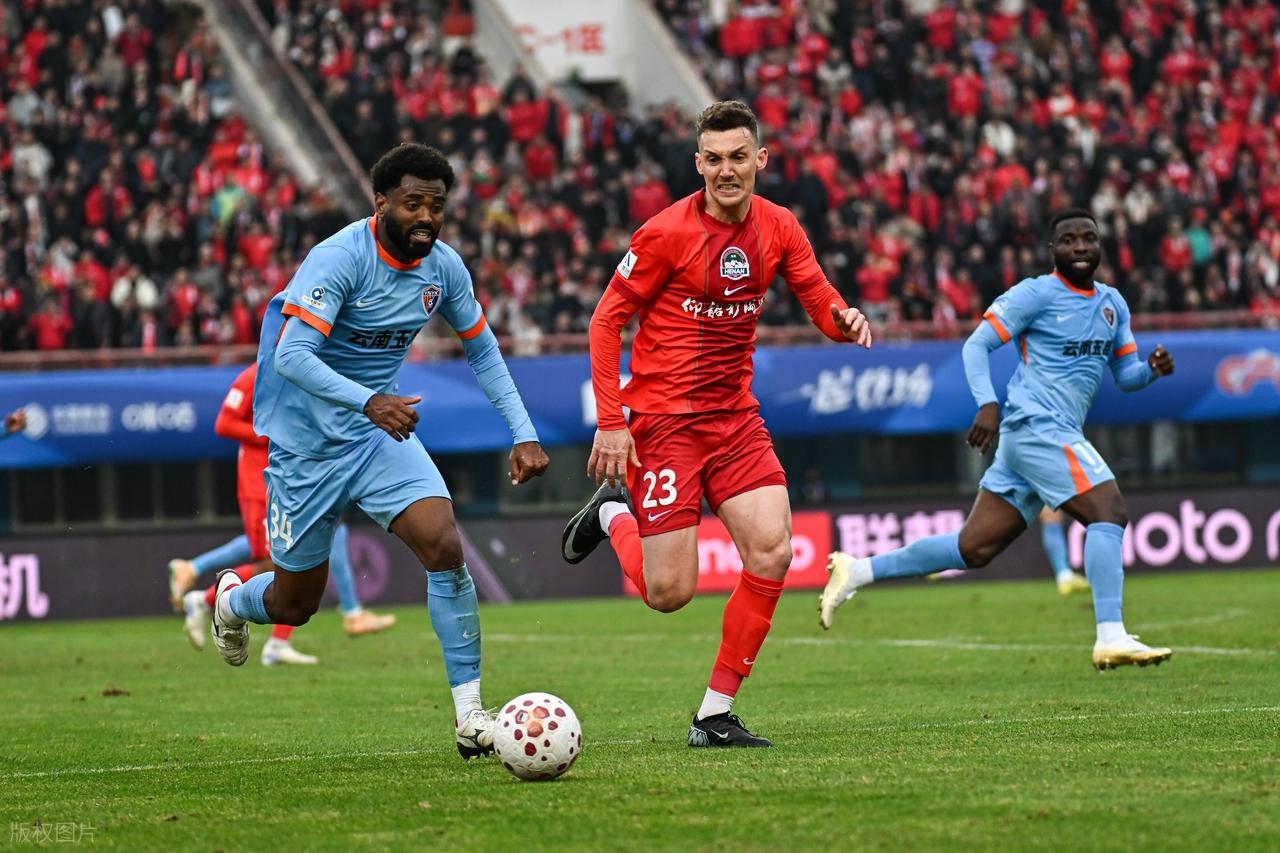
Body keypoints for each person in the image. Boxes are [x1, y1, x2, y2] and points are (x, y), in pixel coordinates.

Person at [209, 143, 549, 759]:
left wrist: (522, 431)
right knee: (296, 604)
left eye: (436, 206)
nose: (426, 217)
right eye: (413, 204)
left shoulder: (444, 269)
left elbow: (482, 348)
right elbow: (291, 356)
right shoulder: (339, 258)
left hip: (374, 438)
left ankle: (470, 715)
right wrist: (369, 400)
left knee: (443, 544)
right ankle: (233, 601)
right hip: (307, 447)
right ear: (382, 202)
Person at [561, 101, 872, 748]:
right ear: (698, 163)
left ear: (760, 159)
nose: (726, 170)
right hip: (666, 424)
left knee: (774, 550)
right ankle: (612, 515)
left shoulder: (780, 226)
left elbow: (819, 299)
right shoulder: (664, 233)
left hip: (734, 419)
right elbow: (605, 321)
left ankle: (713, 715)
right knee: (669, 592)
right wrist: (613, 422)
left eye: (738, 157)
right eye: (714, 159)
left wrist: (843, 319)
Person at [820, 209, 1174, 671]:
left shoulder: (1113, 304)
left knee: (973, 548)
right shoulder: (1036, 293)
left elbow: (1126, 376)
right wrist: (987, 403)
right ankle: (1110, 635)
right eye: (1069, 240)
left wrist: (1151, 371)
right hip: (1036, 426)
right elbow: (977, 344)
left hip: (1042, 436)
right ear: (1053, 250)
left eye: (1088, 238)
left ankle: (857, 570)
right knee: (1109, 510)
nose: (1081, 247)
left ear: (1099, 246)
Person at [171, 363, 398, 666]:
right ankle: (206, 600)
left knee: (314, 544)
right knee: (275, 562)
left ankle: (298, 631)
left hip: (291, 478)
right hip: (258, 484)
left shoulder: (305, 370)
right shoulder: (254, 375)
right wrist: (273, 434)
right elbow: (224, 424)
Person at [927, 506, 1090, 594]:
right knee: (988, 526)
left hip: (1026, 465)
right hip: (1022, 466)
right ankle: (937, 557)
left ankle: (1064, 575)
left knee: (1050, 513)